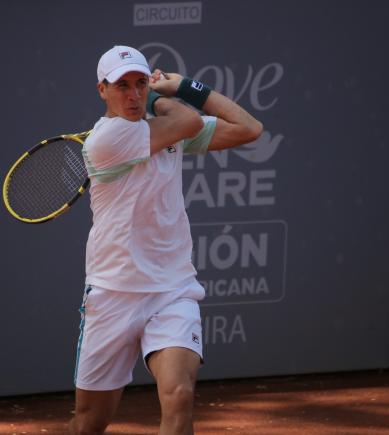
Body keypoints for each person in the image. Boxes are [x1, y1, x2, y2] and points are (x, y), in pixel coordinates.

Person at [69, 45, 262, 435]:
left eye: (140, 84)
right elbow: (187, 122)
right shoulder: (105, 141)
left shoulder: (165, 131)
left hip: (172, 290)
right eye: (122, 85)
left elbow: (249, 128)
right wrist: (165, 93)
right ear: (101, 89)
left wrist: (190, 85)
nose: (133, 94)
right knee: (89, 422)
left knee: (179, 396)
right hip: (112, 293)